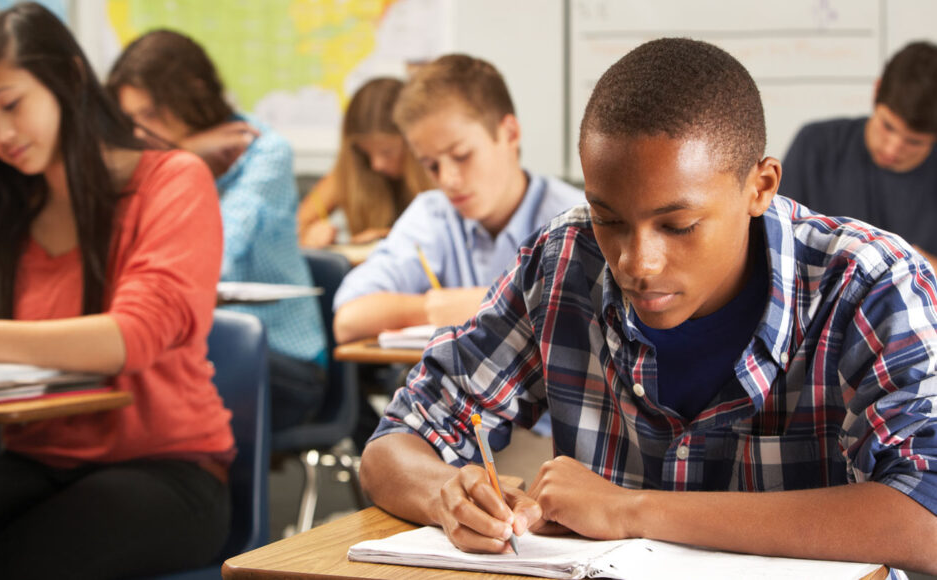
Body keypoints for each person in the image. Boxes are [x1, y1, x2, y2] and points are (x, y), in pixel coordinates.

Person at [358, 38, 937, 576]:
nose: (638, 262)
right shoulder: (563, 263)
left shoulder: (869, 284)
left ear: (759, 187)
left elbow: (926, 518)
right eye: (608, 219)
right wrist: (447, 495)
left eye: (677, 225)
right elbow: (394, 444)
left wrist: (631, 510)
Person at [0, 4, 233, 578]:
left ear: (70, 79)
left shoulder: (172, 181)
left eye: (11, 105)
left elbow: (130, 338)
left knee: (11, 568)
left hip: (169, 469)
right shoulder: (1, 200)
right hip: (39, 459)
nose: (0, 134)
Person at [107, 29, 327, 431]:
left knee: (157, 373)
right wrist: (184, 156)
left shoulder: (264, 152)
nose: (140, 134)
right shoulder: (148, 161)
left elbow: (210, 260)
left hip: (281, 359)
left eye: (152, 115)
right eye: (130, 120)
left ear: (193, 93)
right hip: (195, 347)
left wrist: (180, 166)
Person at [332, 54, 585, 344]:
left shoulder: (576, 220)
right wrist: (433, 308)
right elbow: (348, 319)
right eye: (431, 165)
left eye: (462, 156)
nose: (448, 180)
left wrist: (490, 302)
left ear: (510, 134)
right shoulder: (432, 215)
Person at [781, 41, 937, 264]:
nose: (892, 148)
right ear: (876, 90)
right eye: (888, 126)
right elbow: (773, 242)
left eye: (914, 142)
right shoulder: (815, 146)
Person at [297, 77, 433, 249]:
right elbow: (294, 228)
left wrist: (389, 237)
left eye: (387, 152)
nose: (376, 164)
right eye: (364, 153)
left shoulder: (440, 173)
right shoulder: (348, 174)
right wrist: (310, 235)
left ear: (413, 142)